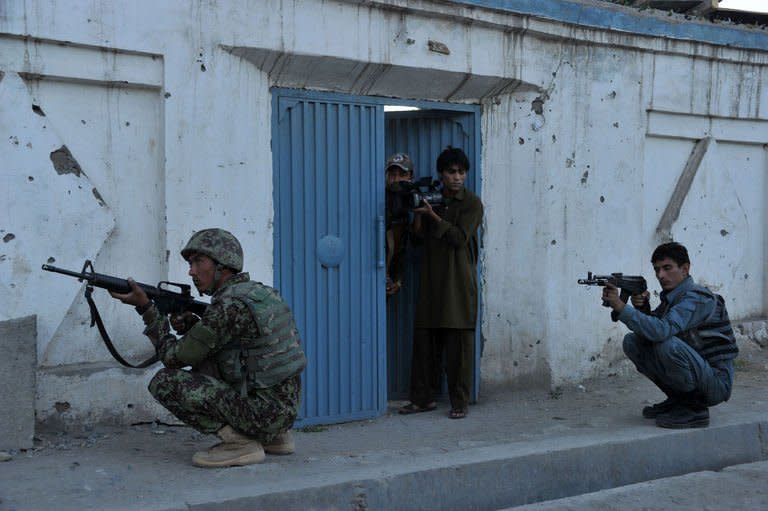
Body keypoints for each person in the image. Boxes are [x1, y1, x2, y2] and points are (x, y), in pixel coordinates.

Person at [109, 228, 306, 467]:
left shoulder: (228, 305)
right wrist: (194, 325)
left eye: (198, 262)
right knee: (210, 362)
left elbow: (173, 358)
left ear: (222, 265)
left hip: (262, 414)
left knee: (164, 382)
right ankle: (275, 438)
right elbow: (244, 346)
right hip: (283, 411)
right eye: (190, 263)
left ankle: (239, 444)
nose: (191, 271)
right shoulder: (260, 293)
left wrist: (148, 311)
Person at [602, 241, 738, 429]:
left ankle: (695, 409)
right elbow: (651, 331)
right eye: (657, 269)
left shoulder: (697, 297)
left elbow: (661, 331)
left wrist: (620, 306)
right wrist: (643, 308)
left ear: (685, 269)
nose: (661, 275)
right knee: (633, 342)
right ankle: (679, 400)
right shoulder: (673, 298)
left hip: (715, 382)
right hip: (700, 374)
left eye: (667, 268)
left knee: (666, 344)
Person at [399, 146, 483, 419]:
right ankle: (422, 399)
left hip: (458, 286)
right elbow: (418, 241)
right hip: (431, 285)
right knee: (424, 346)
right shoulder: (431, 198)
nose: (457, 177)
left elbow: (459, 238)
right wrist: (419, 217)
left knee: (458, 350)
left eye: (461, 172)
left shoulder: (471, 203)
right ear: (441, 174)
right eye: (451, 172)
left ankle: (460, 403)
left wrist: (435, 216)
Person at [384, 152, 414, 296]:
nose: (396, 179)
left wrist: (397, 280)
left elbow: (403, 246)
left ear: (410, 177)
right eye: (392, 174)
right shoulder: (381, 199)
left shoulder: (411, 201)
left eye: (402, 174)